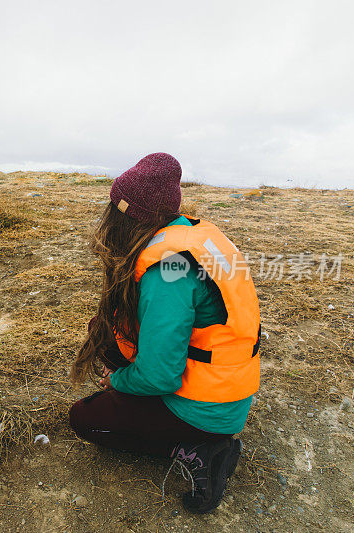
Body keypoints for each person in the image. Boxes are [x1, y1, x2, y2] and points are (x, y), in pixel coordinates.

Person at [69, 153, 261, 514]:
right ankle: (189, 429)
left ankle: (202, 449)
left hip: (205, 408)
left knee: (84, 419)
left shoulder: (165, 272)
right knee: (105, 328)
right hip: (228, 385)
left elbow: (161, 376)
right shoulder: (195, 236)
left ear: (126, 217)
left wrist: (120, 381)